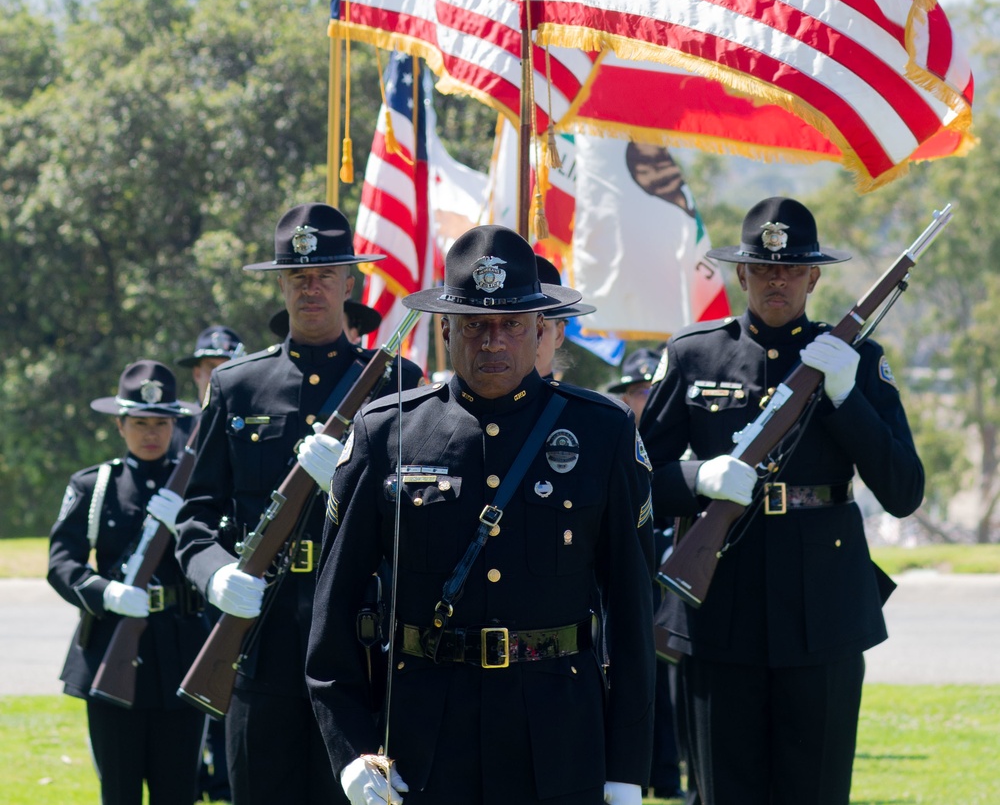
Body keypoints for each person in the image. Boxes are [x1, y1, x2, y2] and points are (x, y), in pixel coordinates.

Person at [306, 224, 656, 805]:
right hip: (423, 740)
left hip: (558, 738)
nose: (492, 340)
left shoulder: (602, 431)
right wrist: (350, 750)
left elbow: (632, 607)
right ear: (446, 330)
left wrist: (625, 768)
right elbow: (333, 611)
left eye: (510, 325)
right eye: (475, 324)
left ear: (538, 328)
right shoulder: (387, 432)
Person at [641, 197, 924, 805]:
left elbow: (903, 491)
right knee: (723, 792)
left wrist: (848, 398)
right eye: (764, 269)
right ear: (740, 274)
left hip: (822, 606)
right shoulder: (695, 355)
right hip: (720, 604)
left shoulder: (858, 360)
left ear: (814, 277)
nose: (777, 280)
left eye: (792, 269)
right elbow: (635, 482)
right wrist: (698, 480)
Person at [175, 203, 422, 805]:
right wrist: (216, 576)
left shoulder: (397, 381)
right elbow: (195, 516)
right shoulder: (237, 386)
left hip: (359, 645)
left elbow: (419, 512)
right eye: (297, 277)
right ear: (281, 285)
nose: (311, 288)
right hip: (262, 642)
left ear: (349, 282)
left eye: (325, 275)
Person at [47, 360, 206, 805]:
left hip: (180, 653)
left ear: (176, 424)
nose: (150, 433)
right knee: (118, 790)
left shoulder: (197, 488)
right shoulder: (96, 485)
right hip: (111, 649)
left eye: (161, 422)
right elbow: (62, 563)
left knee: (178, 791)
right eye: (139, 422)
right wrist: (107, 593)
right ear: (120, 425)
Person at [608, 350, 683, 802]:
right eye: (638, 391)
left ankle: (668, 774)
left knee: (669, 684)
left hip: (672, 575)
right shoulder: (609, 437)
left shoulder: (673, 446)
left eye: (652, 390)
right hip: (632, 577)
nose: (646, 399)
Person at [176, 324, 247, 803]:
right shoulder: (175, 430)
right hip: (199, 588)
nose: (214, 375)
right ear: (198, 374)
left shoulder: (245, 410)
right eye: (207, 368)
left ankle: (224, 778)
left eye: (224, 366)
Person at [534, 252, 595, 382]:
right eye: (513, 324)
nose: (530, 338)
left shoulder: (577, 403)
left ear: (559, 334)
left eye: (541, 326)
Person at [178, 324, 247, 406]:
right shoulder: (177, 418)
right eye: (212, 368)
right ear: (197, 374)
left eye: (228, 369)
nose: (220, 377)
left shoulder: (254, 416)